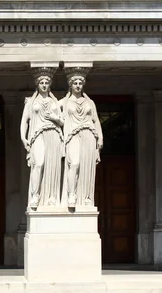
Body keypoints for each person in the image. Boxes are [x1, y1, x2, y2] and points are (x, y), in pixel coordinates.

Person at [20, 67, 64, 208]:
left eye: (46, 82)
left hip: (54, 134)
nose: (44, 85)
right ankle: (35, 195)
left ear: (49, 84)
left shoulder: (55, 102)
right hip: (37, 134)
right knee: (38, 163)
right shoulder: (31, 102)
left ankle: (51, 197)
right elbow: (24, 122)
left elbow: (63, 122)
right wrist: (23, 138)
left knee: (52, 166)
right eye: (41, 82)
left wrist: (54, 118)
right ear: (37, 84)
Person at [59, 68, 103, 207]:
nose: (78, 85)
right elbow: (48, 107)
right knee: (75, 164)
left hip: (89, 135)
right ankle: (71, 195)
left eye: (80, 83)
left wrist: (100, 138)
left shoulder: (89, 102)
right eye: (75, 83)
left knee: (86, 167)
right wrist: (30, 103)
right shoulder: (64, 102)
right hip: (72, 135)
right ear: (70, 85)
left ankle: (86, 197)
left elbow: (96, 121)